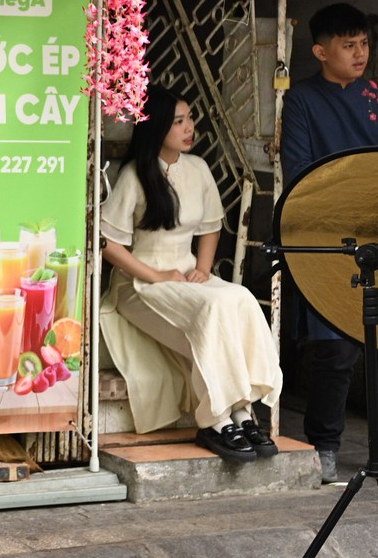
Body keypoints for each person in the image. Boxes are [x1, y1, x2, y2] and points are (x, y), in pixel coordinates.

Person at [98, 87, 283, 462]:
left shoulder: (197, 168)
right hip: (139, 285)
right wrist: (155, 275)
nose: (188, 128)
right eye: (178, 121)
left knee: (241, 298)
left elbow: (211, 226)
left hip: (184, 273)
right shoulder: (136, 174)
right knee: (212, 311)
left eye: (190, 118)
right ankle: (216, 420)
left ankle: (242, 410)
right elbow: (108, 244)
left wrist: (202, 268)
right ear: (157, 127)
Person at [280, 1, 378, 487]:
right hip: (328, 237)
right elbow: (298, 170)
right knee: (334, 349)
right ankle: (324, 446)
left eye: (363, 44)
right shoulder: (300, 101)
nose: (359, 54)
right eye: (348, 45)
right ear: (321, 51)